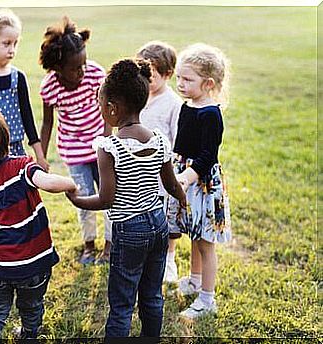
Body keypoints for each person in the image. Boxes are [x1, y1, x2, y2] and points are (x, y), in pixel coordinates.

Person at [66, 59, 186, 337]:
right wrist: (183, 198)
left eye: (100, 105)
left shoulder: (110, 147)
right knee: (152, 294)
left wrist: (78, 200)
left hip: (129, 230)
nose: (99, 110)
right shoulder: (158, 139)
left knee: (121, 303)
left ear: (112, 108)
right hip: (158, 225)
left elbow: (106, 199)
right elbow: (171, 184)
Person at [0, 103, 77, 342]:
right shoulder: (23, 167)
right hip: (35, 262)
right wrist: (71, 184)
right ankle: (29, 334)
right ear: (7, 139)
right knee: (32, 304)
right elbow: (49, 183)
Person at [39, 16, 112, 265]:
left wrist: (106, 138)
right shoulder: (50, 88)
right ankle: (89, 245)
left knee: (109, 195)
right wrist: (41, 154)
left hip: (101, 148)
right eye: (75, 68)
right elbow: (48, 122)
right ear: (58, 68)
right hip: (74, 153)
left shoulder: (95, 74)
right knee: (83, 198)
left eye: (83, 64)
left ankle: (110, 246)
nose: (82, 71)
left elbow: (108, 109)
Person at [168, 43, 232, 319]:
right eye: (179, 78)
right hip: (185, 175)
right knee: (193, 235)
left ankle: (207, 299)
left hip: (202, 183)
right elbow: (179, 146)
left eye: (187, 79)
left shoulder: (211, 114)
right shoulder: (187, 106)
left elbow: (208, 155)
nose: (180, 84)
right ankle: (194, 281)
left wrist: (187, 177)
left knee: (205, 241)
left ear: (207, 84)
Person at [0, 8, 48, 182]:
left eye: (15, 43)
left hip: (16, 151)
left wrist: (39, 155)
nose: (12, 49)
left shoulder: (18, 78)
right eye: (6, 43)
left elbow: (27, 117)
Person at [136, 41, 183, 283]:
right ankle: (145, 255)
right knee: (144, 214)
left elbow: (178, 141)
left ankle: (169, 259)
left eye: (153, 73)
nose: (148, 77)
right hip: (139, 171)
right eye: (144, 71)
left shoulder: (173, 104)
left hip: (163, 172)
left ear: (167, 74)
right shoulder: (140, 96)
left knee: (167, 219)